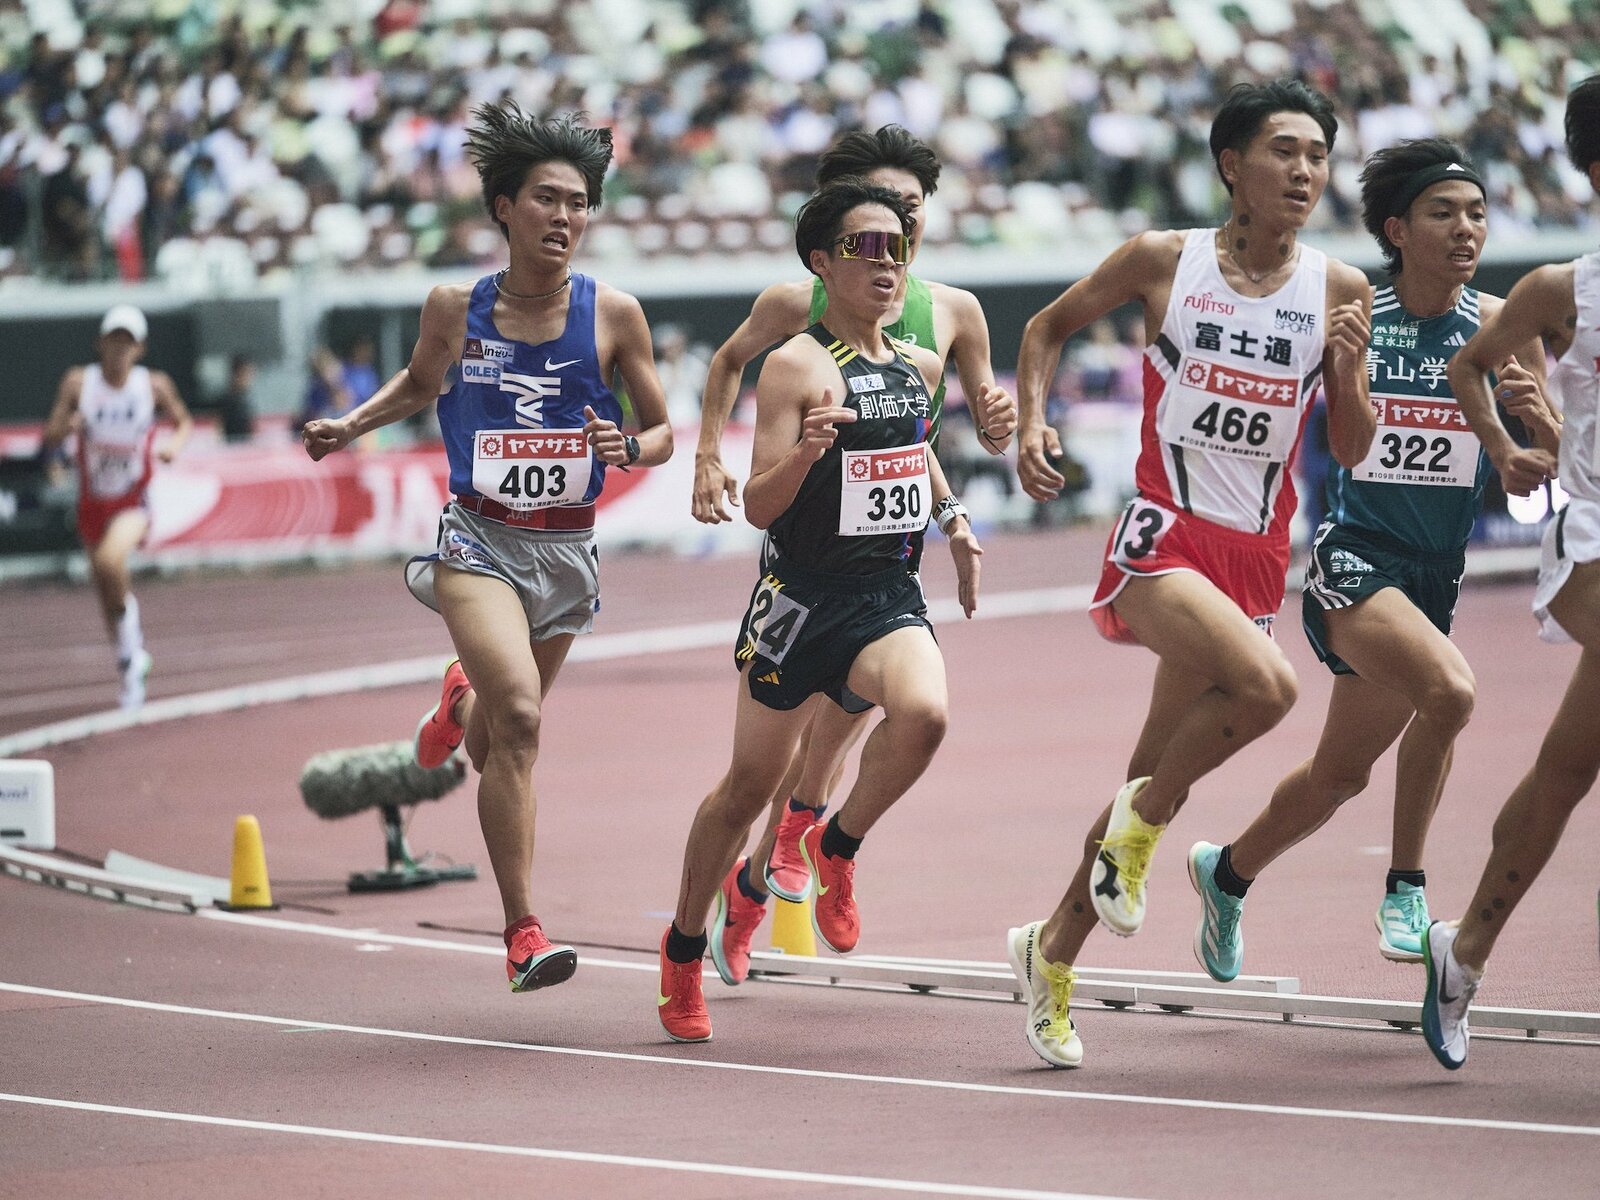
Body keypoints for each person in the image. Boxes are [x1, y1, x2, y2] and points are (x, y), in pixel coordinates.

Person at [1006, 80, 1374, 1069]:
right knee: (1269, 689)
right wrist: (1033, 421)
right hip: (1160, 534)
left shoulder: (1340, 291)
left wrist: (1344, 375)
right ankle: (1145, 830)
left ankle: (1049, 952)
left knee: (1144, 769)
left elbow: (1350, 442)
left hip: (1255, 557)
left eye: (1316, 156)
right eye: (1282, 152)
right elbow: (1044, 329)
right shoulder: (1162, 261)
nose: (1303, 171)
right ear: (1230, 167)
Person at [303, 101, 672, 994]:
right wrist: (351, 425)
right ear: (504, 207)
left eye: (580, 203)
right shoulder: (453, 307)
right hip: (478, 541)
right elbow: (420, 384)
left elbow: (662, 432)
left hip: (567, 554)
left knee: (494, 735)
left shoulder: (615, 314)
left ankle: (452, 708)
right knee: (526, 722)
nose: (566, 217)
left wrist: (633, 448)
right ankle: (524, 933)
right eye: (547, 198)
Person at [1183, 140, 1560, 985]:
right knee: (1451, 691)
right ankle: (1407, 885)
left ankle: (1227, 872)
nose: (1467, 229)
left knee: (1339, 776)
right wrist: (1345, 372)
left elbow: (1547, 481)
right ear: (1397, 228)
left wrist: (1539, 432)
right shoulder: (1353, 317)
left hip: (1434, 575)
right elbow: (1329, 443)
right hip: (1353, 559)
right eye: (1443, 213)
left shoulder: (1507, 333)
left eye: (1476, 212)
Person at [658, 179, 988, 1042]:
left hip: (884, 595)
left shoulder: (917, 368)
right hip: (800, 603)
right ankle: (683, 948)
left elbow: (915, 459)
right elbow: (761, 507)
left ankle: (834, 847)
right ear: (822, 263)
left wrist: (952, 519)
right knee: (743, 794)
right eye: (863, 248)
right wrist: (806, 452)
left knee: (925, 714)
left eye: (896, 247)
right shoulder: (797, 365)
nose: (885, 263)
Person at [1420, 73, 1599, 1071]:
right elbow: (1465, 367)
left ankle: (1465, 949)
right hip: (1591, 541)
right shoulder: (1558, 291)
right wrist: (1507, 442)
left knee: (1568, 771)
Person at [40, 304, 192, 708]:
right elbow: (50, 435)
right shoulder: (78, 383)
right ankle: (130, 670)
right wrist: (66, 427)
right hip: (92, 501)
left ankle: (134, 652)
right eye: (114, 340)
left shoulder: (152, 386)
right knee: (107, 595)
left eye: (128, 342)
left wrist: (173, 447)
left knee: (110, 561)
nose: (120, 349)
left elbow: (184, 421)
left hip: (133, 498)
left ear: (139, 348)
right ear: (100, 343)